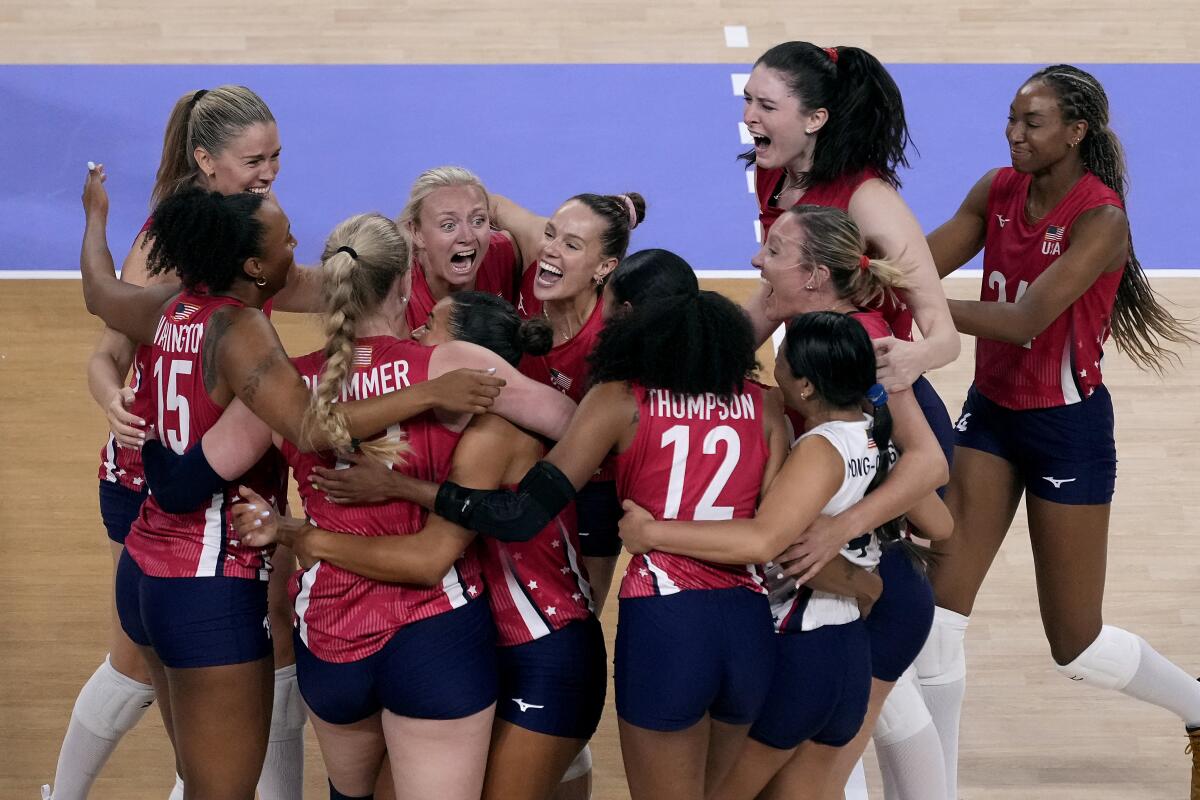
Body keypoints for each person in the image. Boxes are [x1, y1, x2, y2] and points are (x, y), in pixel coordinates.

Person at [77, 169, 503, 799]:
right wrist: (429, 392)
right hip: (206, 584)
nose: (293, 251)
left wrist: (94, 219)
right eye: (283, 242)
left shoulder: (169, 306)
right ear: (251, 265)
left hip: (146, 566)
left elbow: (97, 291)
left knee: (197, 777)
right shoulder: (242, 330)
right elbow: (310, 427)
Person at [920, 64, 1200, 800]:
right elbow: (926, 261)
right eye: (1010, 117)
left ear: (1075, 132)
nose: (1014, 134)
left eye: (1032, 122)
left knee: (1075, 645)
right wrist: (868, 266)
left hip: (1066, 432)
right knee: (938, 619)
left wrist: (908, 300)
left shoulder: (1100, 219)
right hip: (991, 416)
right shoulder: (997, 189)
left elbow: (1020, 322)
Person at [236, 291, 607, 800]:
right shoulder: (461, 431)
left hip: (542, 652)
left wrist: (311, 530)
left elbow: (431, 556)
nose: (415, 339)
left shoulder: (494, 435)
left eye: (430, 329)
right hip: (492, 642)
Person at [54, 85, 311, 800]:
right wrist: (114, 404)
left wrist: (389, 281)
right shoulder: (175, 247)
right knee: (143, 664)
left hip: (207, 481)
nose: (271, 171)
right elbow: (106, 353)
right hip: (154, 479)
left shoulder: (238, 240)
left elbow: (306, 286)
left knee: (268, 638)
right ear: (206, 160)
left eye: (277, 156)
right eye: (254, 159)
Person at [618, 310, 951, 800]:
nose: (773, 360)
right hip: (847, 659)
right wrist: (852, 532)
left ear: (808, 387)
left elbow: (762, 542)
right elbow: (940, 525)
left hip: (801, 652)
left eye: (783, 356)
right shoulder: (878, 436)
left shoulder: (819, 449)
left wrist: (652, 532)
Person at [745, 203, 953, 799]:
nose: (758, 260)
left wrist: (842, 530)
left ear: (814, 277)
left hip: (871, 575)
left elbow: (930, 466)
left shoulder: (862, 344)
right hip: (869, 575)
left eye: (775, 252)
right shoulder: (820, 333)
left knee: (814, 776)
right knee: (865, 726)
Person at [738, 40, 959, 394]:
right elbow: (777, 288)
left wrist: (918, 357)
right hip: (808, 379)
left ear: (815, 119)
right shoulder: (774, 174)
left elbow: (945, 336)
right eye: (748, 99)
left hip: (869, 392)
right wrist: (714, 358)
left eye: (766, 106)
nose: (749, 116)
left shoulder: (870, 202)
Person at [398, 165, 522, 330]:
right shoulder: (396, 294)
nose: (467, 237)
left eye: (478, 221)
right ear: (416, 232)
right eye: (448, 225)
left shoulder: (504, 254)